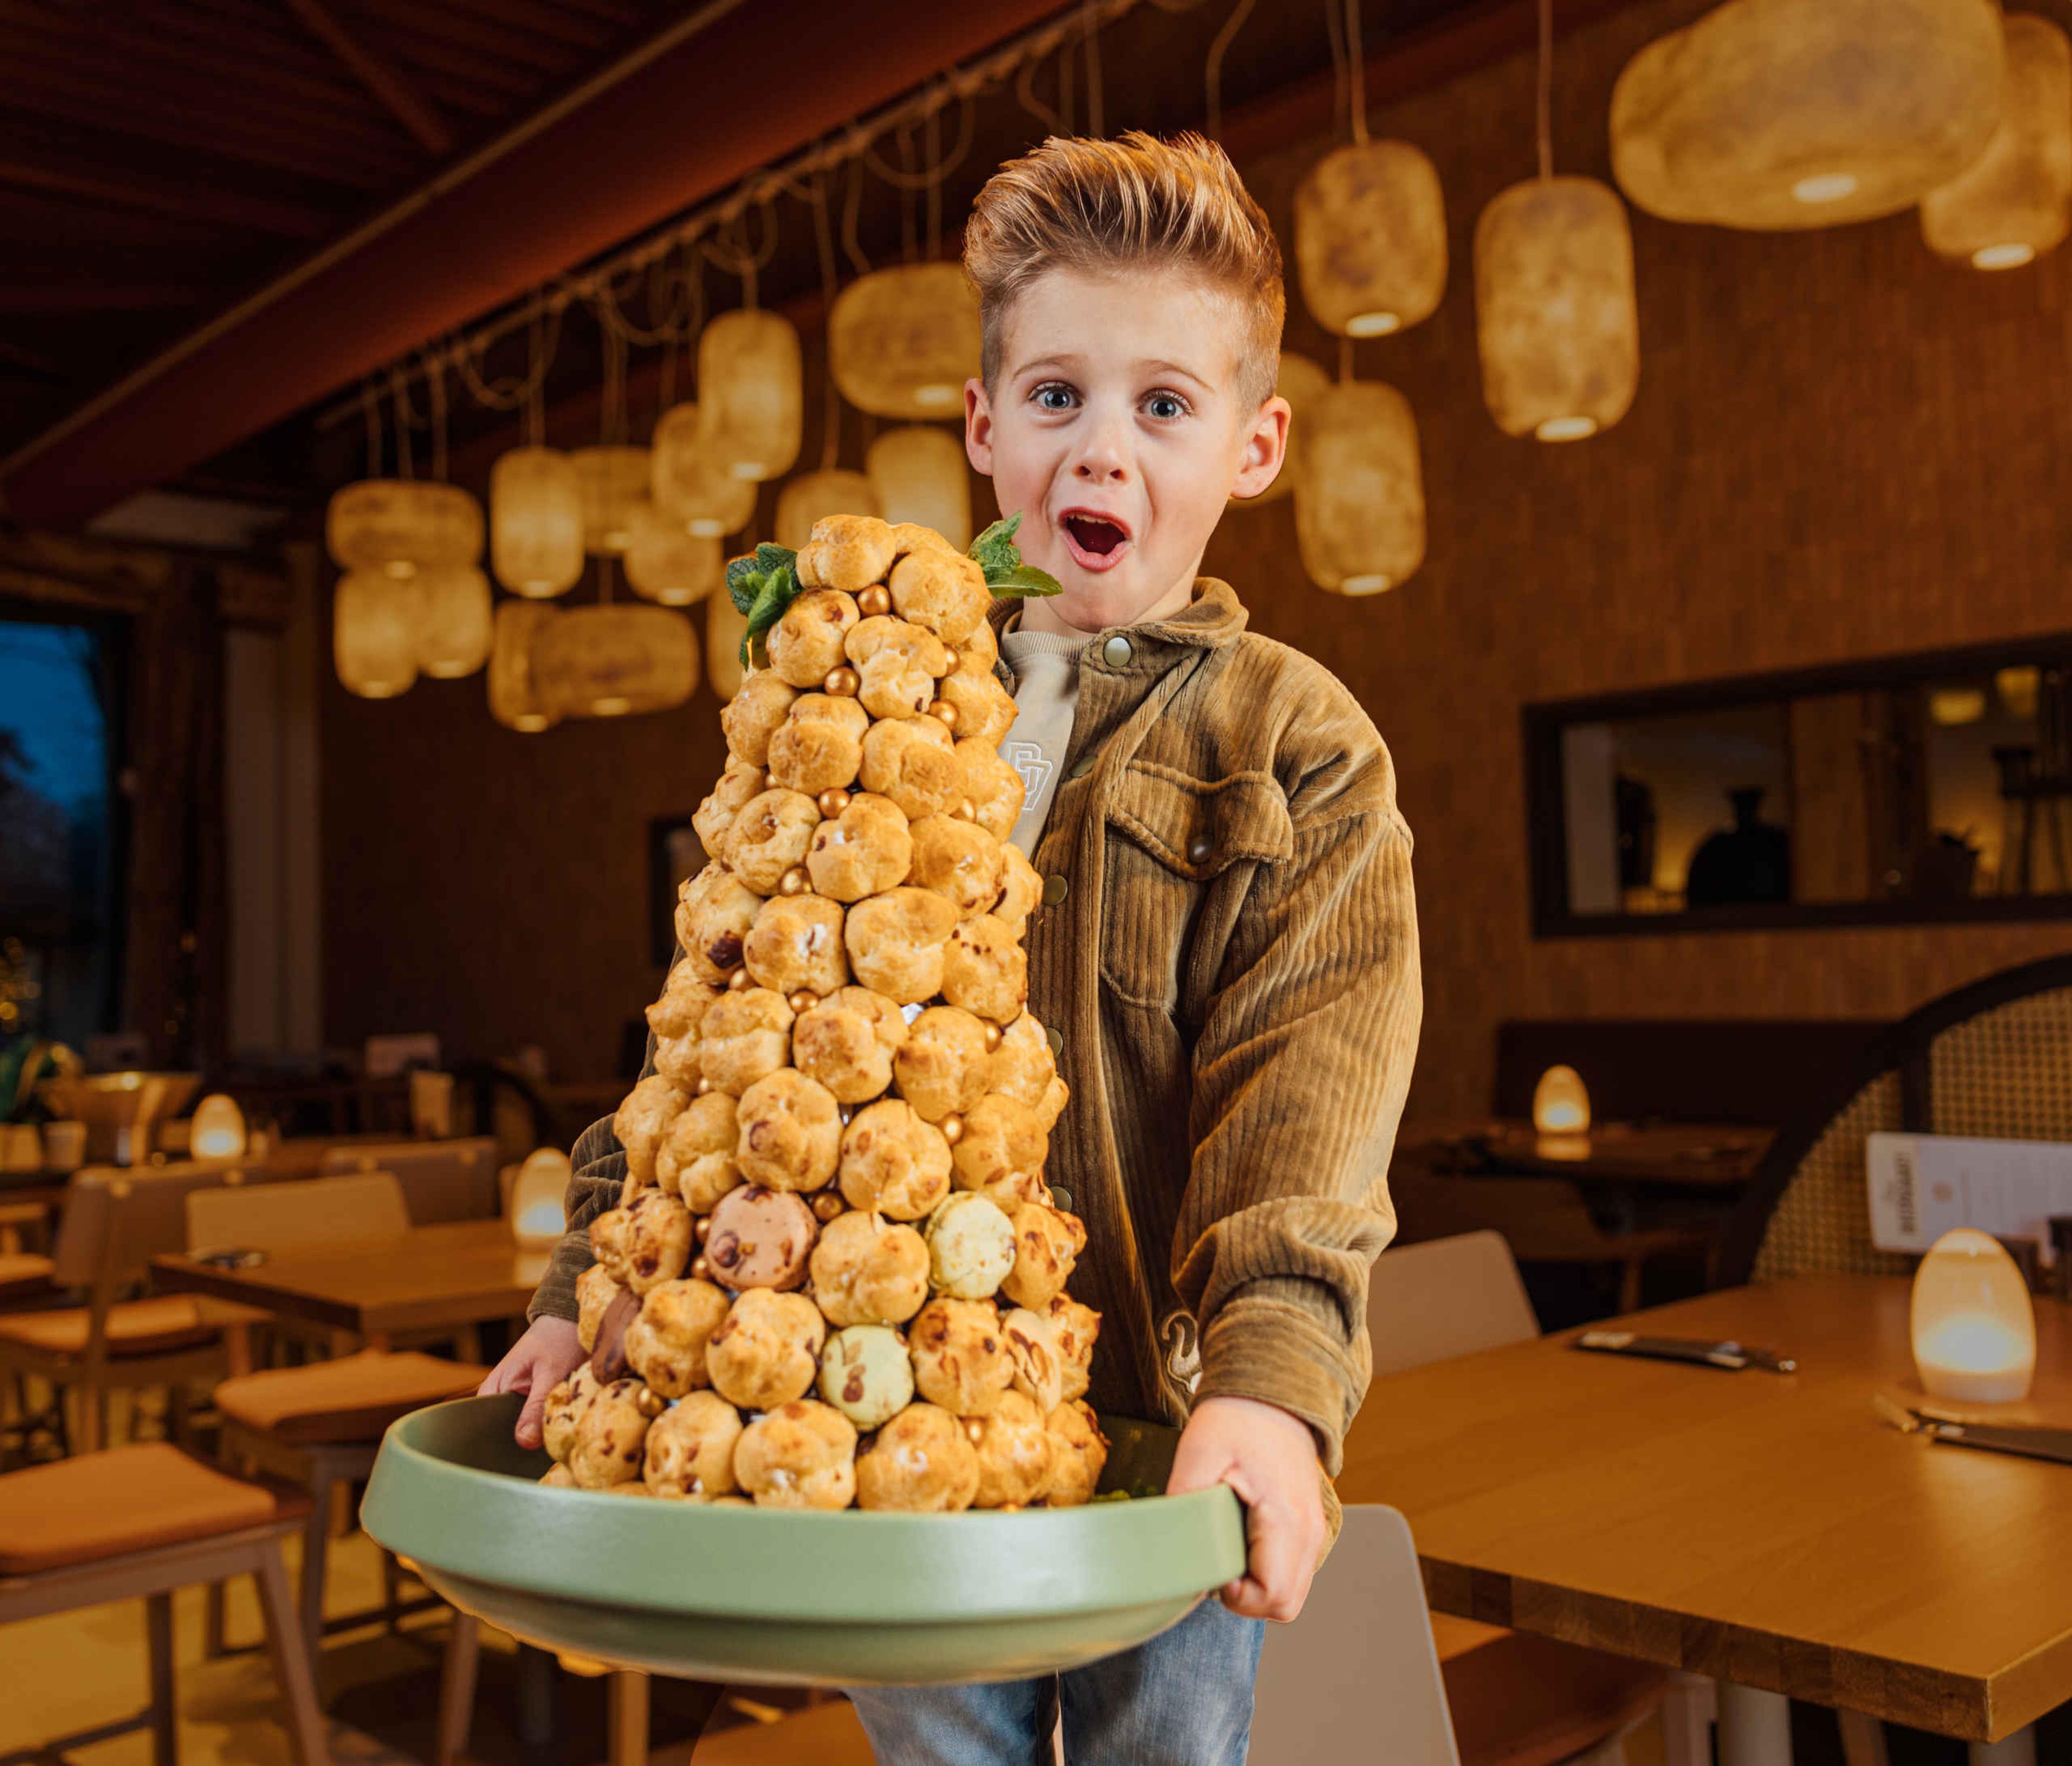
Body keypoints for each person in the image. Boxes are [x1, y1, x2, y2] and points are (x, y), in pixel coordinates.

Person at [481, 129, 1422, 1766]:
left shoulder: (1294, 744)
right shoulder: (851, 701)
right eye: (1056, 398)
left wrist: (1273, 1385)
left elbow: (1314, 1097)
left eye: (1165, 406)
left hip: (1158, 1434)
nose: (1102, 453)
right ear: (983, 431)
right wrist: (589, 1290)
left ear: (1257, 446)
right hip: (880, 1424)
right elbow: (713, 1048)